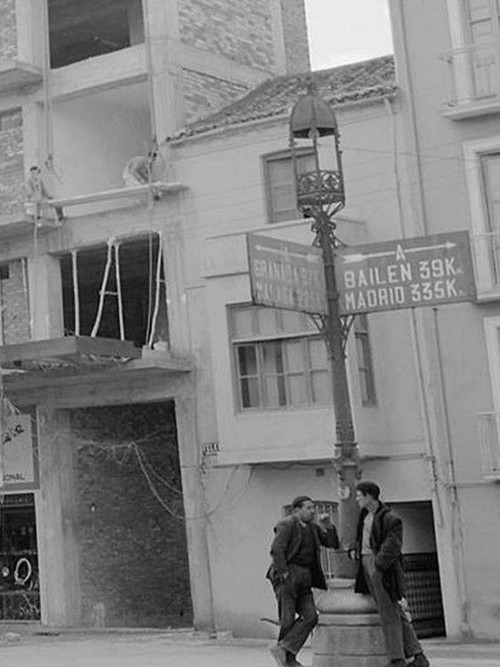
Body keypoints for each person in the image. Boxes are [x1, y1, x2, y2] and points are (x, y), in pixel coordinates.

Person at [353, 481, 430, 667]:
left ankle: (397, 659)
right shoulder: (364, 516)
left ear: (369, 496)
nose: (357, 499)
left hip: (379, 566)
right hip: (366, 563)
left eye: (359, 495)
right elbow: (362, 539)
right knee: (394, 611)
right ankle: (417, 655)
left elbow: (392, 545)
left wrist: (378, 565)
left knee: (388, 614)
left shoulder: (390, 518)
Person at [266, 495, 339, 667]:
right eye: (308, 508)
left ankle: (284, 649)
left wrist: (328, 526)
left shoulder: (313, 528)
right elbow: (277, 550)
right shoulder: (287, 524)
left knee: (311, 616)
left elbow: (333, 544)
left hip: (306, 576)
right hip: (289, 574)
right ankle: (288, 659)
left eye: (313, 508)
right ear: (296, 510)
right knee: (287, 618)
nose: (312, 511)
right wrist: (283, 573)